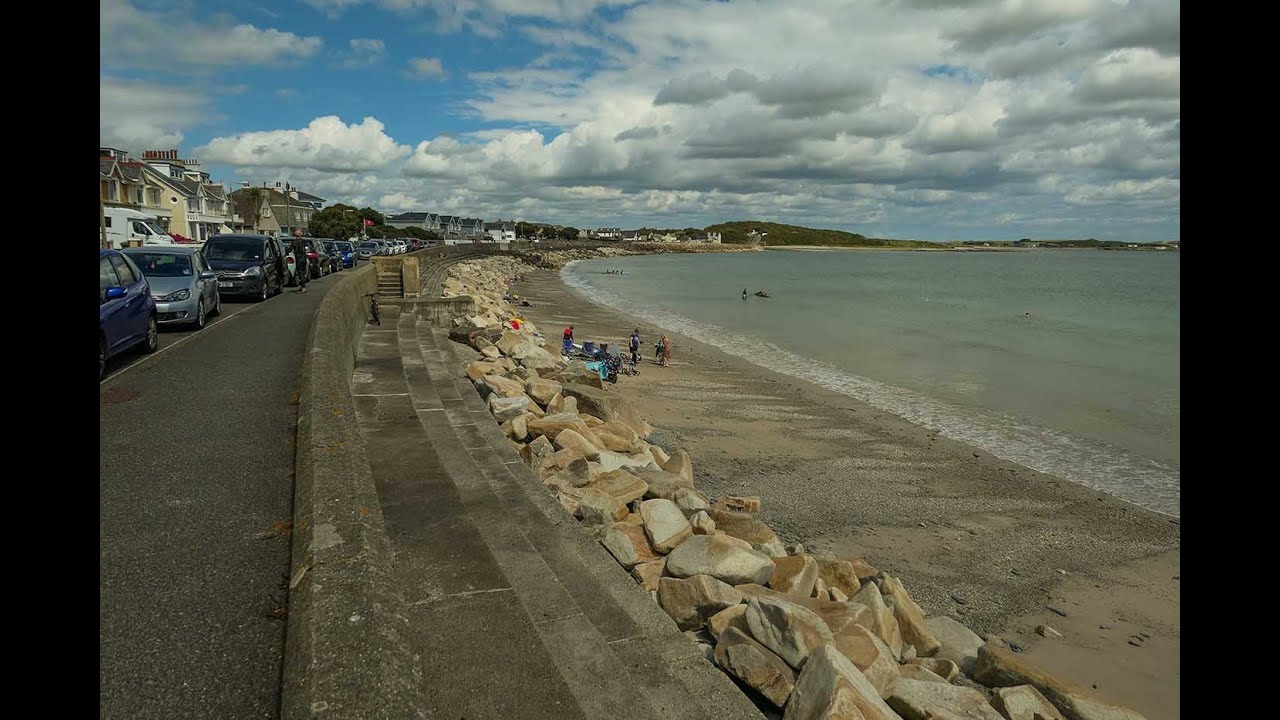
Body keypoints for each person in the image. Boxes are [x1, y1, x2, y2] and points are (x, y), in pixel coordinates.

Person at [290, 229, 310, 293]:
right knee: (303, 273)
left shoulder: (294, 242)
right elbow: (307, 249)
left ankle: (303, 287)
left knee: (300, 273)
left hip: (298, 258)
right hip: (304, 258)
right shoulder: (304, 242)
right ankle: (302, 286)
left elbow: (290, 249)